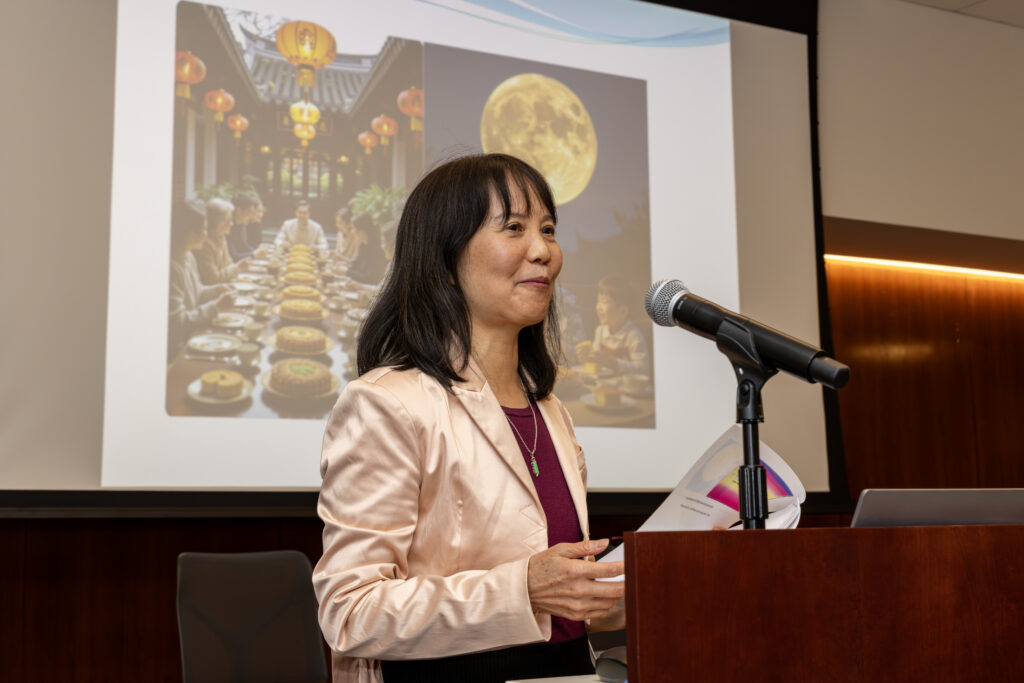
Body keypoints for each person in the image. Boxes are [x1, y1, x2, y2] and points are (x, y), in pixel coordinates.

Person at [314, 154, 624, 683]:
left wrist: (634, 585)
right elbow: (351, 611)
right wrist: (521, 589)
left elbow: (567, 615)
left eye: (548, 229)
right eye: (514, 228)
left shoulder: (551, 411)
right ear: (445, 256)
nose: (542, 251)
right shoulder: (387, 402)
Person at [167, 201, 234, 361]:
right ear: (187, 233)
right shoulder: (171, 267)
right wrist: (215, 306)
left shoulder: (188, 255)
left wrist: (218, 289)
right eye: (203, 229)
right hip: (178, 350)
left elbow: (197, 292)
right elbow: (176, 324)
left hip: (193, 336)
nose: (206, 233)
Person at [576, 275, 650, 375]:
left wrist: (613, 363)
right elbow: (597, 361)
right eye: (598, 301)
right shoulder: (600, 331)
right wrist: (587, 357)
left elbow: (643, 369)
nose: (598, 307)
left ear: (623, 311)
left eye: (604, 302)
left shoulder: (633, 336)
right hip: (605, 383)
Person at [195, 197, 249, 284]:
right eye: (229, 220)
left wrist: (235, 268)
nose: (232, 224)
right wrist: (237, 267)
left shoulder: (221, 238)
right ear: (219, 222)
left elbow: (229, 264)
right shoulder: (204, 244)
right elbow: (213, 279)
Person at [345, 213, 387, 285]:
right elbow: (355, 265)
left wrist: (346, 272)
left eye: (353, 228)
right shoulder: (362, 245)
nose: (351, 231)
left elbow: (369, 278)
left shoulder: (378, 249)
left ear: (361, 232)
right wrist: (343, 267)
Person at [226, 192, 261, 261]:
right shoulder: (227, 227)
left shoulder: (241, 225)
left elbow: (244, 247)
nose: (251, 217)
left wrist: (258, 251)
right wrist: (254, 254)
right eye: (249, 212)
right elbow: (233, 256)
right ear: (239, 211)